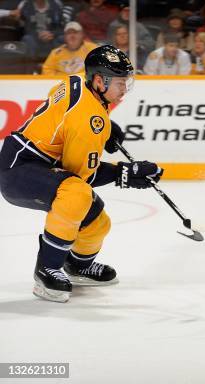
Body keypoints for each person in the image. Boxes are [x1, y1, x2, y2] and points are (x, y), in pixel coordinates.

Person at [0, 45, 164, 303]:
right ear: (99, 81)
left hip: (32, 158)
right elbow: (81, 179)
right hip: (18, 170)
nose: (125, 89)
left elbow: (68, 116)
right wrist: (126, 173)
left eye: (126, 82)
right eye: (120, 83)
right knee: (77, 195)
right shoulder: (89, 121)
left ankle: (77, 266)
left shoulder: (77, 81)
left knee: (98, 223)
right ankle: (47, 270)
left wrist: (107, 126)